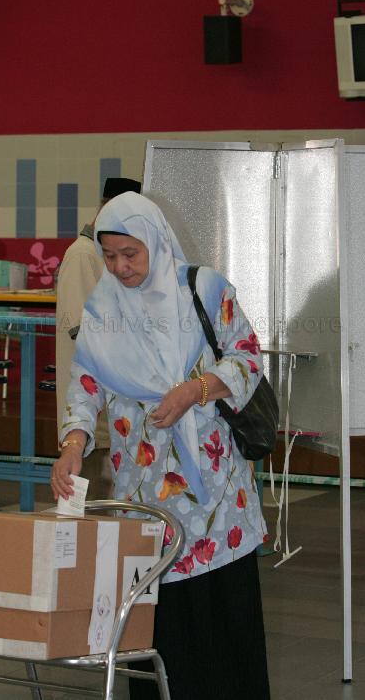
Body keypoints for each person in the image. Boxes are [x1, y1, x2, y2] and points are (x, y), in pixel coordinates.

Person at [51, 192, 271, 699]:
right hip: (144, 496)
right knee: (157, 625)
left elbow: (248, 356)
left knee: (222, 623)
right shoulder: (104, 309)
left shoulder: (205, 288)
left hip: (218, 500)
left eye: (131, 254)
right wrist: (73, 443)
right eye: (109, 256)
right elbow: (86, 384)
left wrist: (196, 389)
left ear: (154, 240)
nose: (120, 267)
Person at [55, 177, 141, 498]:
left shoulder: (108, 255)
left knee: (111, 500)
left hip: (113, 405)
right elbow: (84, 334)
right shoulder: (82, 254)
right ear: (105, 209)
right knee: (88, 500)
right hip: (90, 407)